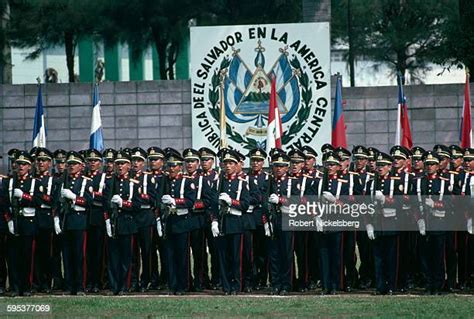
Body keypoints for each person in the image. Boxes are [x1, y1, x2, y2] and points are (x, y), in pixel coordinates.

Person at [211, 149, 249, 295]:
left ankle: (236, 285)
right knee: (223, 257)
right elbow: (214, 205)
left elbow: (245, 205)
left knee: (236, 258)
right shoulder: (219, 182)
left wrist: (232, 201)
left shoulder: (242, 183)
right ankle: (226, 286)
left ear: (236, 165)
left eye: (231, 163)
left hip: (236, 223)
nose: (228, 166)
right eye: (225, 163)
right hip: (222, 223)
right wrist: (214, 221)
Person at [54, 151, 92, 295]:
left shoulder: (86, 181)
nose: (71, 166)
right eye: (69, 164)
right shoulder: (62, 181)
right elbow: (56, 202)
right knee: (67, 256)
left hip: (79, 221)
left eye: (74, 164)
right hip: (66, 221)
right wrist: (56, 218)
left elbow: (88, 202)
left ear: (81, 166)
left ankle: (80, 286)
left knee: (79, 256)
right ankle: (69, 286)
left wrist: (74, 197)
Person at [159, 149, 197, 295]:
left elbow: (190, 201)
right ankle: (172, 285)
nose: (171, 168)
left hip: (182, 222)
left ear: (180, 166)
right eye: (169, 165)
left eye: (174, 165)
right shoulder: (165, 181)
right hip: (169, 221)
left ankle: (183, 285)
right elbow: (159, 198)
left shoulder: (187, 181)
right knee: (170, 255)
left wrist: (175, 201)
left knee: (182, 256)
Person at [5, 151, 42, 297]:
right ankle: (14, 287)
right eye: (19, 164)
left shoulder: (35, 182)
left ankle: (26, 287)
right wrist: (8, 220)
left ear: (30, 166)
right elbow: (2, 203)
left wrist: (24, 196)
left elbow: (39, 201)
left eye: (24, 164)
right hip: (13, 222)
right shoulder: (8, 182)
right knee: (13, 257)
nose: (21, 166)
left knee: (27, 256)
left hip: (28, 222)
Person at [264, 150, 298, 295]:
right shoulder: (269, 182)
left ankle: (286, 284)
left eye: (282, 166)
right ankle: (275, 284)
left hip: (287, 219)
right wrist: (266, 222)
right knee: (274, 254)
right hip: (274, 220)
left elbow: (298, 202)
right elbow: (264, 203)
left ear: (287, 167)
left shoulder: (292, 182)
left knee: (286, 253)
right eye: (276, 165)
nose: (278, 168)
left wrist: (281, 200)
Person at [103, 150, 138, 295]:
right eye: (117, 163)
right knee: (113, 257)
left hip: (127, 223)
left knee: (126, 258)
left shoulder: (134, 183)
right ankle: (114, 286)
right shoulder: (110, 182)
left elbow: (137, 205)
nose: (119, 166)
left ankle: (124, 285)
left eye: (123, 163)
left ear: (129, 165)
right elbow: (105, 203)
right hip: (114, 223)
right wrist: (107, 221)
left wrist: (123, 203)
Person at [130, 147, 157, 292]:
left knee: (147, 251)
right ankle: (134, 280)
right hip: (132, 217)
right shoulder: (126, 177)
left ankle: (147, 279)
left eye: (139, 161)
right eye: (134, 160)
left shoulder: (148, 178)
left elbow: (154, 199)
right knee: (133, 252)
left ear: (144, 163)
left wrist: (141, 196)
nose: (136, 163)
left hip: (146, 217)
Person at [33, 148, 56, 293]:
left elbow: (54, 200)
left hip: (47, 220)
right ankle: (35, 282)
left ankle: (47, 283)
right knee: (34, 254)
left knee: (47, 253)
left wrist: (39, 196)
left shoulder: (54, 180)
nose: (41, 163)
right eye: (39, 160)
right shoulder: (31, 179)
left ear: (49, 163)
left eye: (44, 160)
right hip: (33, 219)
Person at [85, 148, 107, 293]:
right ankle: (88, 280)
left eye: (95, 161)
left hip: (98, 217)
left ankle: (98, 281)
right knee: (87, 252)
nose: (92, 163)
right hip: (85, 217)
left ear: (100, 163)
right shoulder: (83, 177)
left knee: (99, 252)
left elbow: (105, 196)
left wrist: (92, 196)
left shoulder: (104, 178)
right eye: (90, 161)